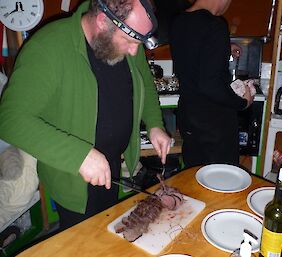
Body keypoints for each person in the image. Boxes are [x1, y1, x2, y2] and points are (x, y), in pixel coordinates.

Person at [0, 0, 171, 231]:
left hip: (110, 164)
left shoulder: (126, 36)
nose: (134, 51)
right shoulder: (48, 47)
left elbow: (145, 81)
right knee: (84, 241)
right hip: (73, 175)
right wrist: (79, 156)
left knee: (107, 231)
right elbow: (10, 120)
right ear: (102, 22)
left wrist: (154, 124)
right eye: (130, 42)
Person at [169, 0, 254, 168]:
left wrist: (223, 48)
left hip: (189, 114)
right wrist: (243, 102)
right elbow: (210, 85)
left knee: (194, 173)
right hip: (214, 122)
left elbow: (194, 52)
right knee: (221, 180)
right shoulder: (215, 25)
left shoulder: (179, 21)